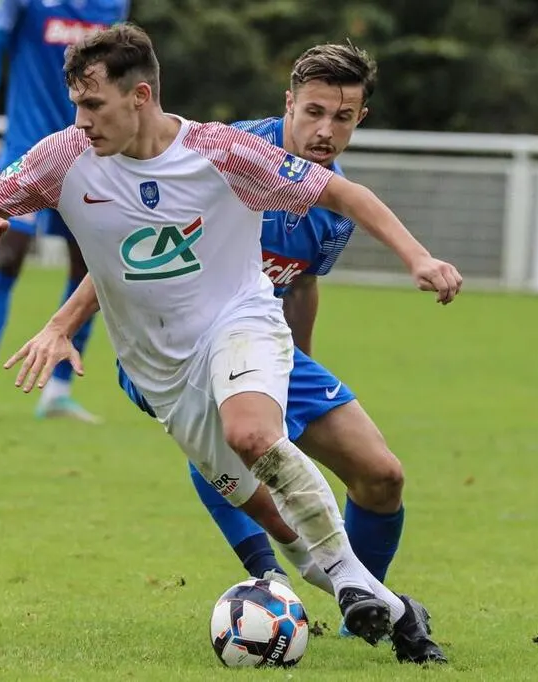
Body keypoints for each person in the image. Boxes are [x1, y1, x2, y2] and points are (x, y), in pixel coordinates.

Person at [0, 24, 461, 664]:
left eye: (93, 105)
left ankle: (345, 586)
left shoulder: (221, 153)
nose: (82, 119)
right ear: (289, 104)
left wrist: (417, 259)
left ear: (140, 96)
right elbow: (4, 204)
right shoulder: (66, 155)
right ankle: (388, 606)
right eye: (78, 105)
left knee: (266, 437)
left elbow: (335, 216)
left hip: (242, 324)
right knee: (280, 520)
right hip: (160, 365)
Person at [113, 43, 415, 639]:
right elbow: (133, 253)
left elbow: (300, 284)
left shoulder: (332, 208)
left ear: (361, 118)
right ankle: (268, 575)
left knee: (382, 475)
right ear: (288, 104)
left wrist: (296, 367)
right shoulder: (224, 154)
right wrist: (62, 324)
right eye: (314, 112)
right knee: (238, 434)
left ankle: (363, 613)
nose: (326, 130)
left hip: (261, 344)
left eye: (343, 117)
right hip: (174, 345)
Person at [0, 0, 130, 422]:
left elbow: (124, 73)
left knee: (90, 267)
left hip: (88, 150)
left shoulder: (112, 4)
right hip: (27, 148)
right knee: (7, 254)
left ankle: (58, 390)